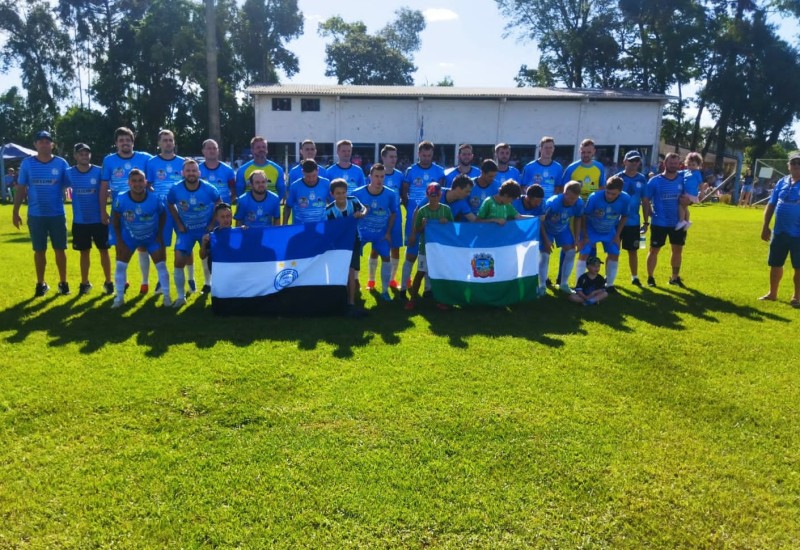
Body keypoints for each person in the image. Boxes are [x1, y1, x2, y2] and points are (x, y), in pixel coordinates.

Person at [12, 131, 71, 297]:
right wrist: (15, 211)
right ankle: (40, 284)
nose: (44, 144)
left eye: (47, 141)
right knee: (39, 251)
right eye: (41, 141)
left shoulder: (61, 163)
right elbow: (21, 189)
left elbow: (70, 184)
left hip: (57, 214)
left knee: (60, 250)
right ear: (35, 144)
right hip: (36, 215)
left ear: (52, 144)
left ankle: (63, 283)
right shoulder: (27, 163)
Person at [99, 127, 152, 293]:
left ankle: (144, 282)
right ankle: (123, 280)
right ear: (116, 143)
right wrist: (103, 210)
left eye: (127, 140)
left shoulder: (145, 158)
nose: (125, 143)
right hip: (119, 210)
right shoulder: (109, 160)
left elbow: (157, 172)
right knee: (119, 245)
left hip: (142, 209)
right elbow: (104, 186)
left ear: (132, 142)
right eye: (121, 140)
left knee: (142, 245)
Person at [110, 169, 171, 308]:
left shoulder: (155, 199)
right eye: (134, 181)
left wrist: (159, 235)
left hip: (151, 238)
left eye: (140, 180)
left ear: (145, 182)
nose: (137, 184)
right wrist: (120, 240)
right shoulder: (120, 199)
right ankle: (119, 298)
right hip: (129, 238)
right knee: (120, 266)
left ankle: (167, 297)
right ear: (128, 183)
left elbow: (163, 215)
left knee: (161, 266)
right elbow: (115, 220)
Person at [167, 158, 221, 307]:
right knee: (178, 260)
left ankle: (210, 285)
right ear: (183, 173)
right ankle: (180, 297)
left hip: (205, 229)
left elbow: (220, 204)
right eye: (188, 171)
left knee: (209, 258)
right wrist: (178, 223)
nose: (191, 173)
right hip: (186, 231)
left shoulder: (208, 188)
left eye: (194, 170)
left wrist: (212, 224)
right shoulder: (175, 189)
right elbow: (170, 203)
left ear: (199, 172)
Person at [146, 129, 190, 293]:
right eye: (164, 140)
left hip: (181, 210)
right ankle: (161, 279)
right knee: (161, 245)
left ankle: (188, 279)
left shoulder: (183, 162)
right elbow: (148, 185)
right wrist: (156, 198)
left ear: (174, 142)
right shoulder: (151, 162)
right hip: (162, 211)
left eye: (170, 140)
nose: (168, 143)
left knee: (184, 243)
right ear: (159, 143)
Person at [66, 143, 113, 295]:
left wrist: (104, 212)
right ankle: (84, 283)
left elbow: (107, 190)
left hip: (99, 219)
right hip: (80, 221)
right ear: (75, 156)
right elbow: (57, 186)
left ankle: (108, 282)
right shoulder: (69, 173)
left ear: (90, 155)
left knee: (104, 251)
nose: (84, 156)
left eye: (87, 154)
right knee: (84, 252)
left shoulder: (99, 171)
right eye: (81, 154)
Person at [400, 141, 445, 295]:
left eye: (429, 155)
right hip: (414, 218)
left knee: (430, 253)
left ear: (432, 155)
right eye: (424, 155)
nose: (426, 158)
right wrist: (411, 208)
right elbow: (404, 192)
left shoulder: (439, 171)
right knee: (411, 253)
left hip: (433, 220)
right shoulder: (410, 171)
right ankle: (403, 288)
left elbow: (442, 195)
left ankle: (428, 289)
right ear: (418, 154)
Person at [642, 152, 692, 287]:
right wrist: (647, 218)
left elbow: (690, 197)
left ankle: (674, 278)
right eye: (671, 163)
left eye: (676, 163)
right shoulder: (655, 181)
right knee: (654, 250)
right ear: (664, 163)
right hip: (659, 222)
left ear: (679, 164)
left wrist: (689, 202)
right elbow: (645, 200)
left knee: (677, 250)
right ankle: (650, 278)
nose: (673, 166)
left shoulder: (683, 179)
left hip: (678, 222)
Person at [576, 175, 630, 293]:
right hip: (591, 229)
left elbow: (625, 216)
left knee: (614, 253)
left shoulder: (625, 199)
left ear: (620, 192)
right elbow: (584, 215)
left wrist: (617, 235)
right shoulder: (595, 197)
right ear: (605, 188)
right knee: (584, 254)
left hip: (609, 230)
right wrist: (584, 235)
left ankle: (609, 284)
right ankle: (578, 286)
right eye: (608, 192)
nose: (610, 196)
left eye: (613, 194)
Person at [759, 155, 800, 307]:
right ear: (788, 166)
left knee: (799, 266)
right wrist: (765, 226)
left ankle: (796, 297)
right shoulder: (782, 182)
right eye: (793, 163)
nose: (796, 166)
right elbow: (771, 204)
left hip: (798, 234)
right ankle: (773, 293)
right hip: (780, 231)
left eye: (799, 164)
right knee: (775, 263)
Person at [352, 163, 397, 301]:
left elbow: (394, 213)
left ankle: (384, 290)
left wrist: (388, 232)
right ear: (370, 176)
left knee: (386, 258)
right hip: (361, 233)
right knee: (354, 259)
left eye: (382, 177)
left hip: (380, 234)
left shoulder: (390, 194)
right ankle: (355, 283)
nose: (379, 179)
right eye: (376, 176)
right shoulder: (357, 193)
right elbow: (352, 213)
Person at [405, 183, 453, 311]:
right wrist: (423, 226)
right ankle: (413, 299)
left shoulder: (446, 210)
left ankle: (441, 299)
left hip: (440, 249)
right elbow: (416, 229)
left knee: (439, 274)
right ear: (427, 195)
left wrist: (446, 222)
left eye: (436, 195)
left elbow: (452, 229)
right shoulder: (422, 210)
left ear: (440, 195)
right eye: (432, 196)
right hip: (425, 248)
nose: (434, 198)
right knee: (420, 272)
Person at [325, 178, 367, 318]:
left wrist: (362, 214)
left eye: (343, 192)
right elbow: (327, 230)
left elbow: (365, 208)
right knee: (340, 272)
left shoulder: (353, 201)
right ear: (332, 194)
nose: (341, 196)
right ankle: (339, 300)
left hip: (353, 241)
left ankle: (351, 303)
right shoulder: (329, 211)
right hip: (337, 246)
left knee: (351, 272)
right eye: (338, 193)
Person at [198, 138, 236, 293]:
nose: (211, 151)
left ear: (218, 150)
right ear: (203, 151)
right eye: (208, 148)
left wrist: (225, 209)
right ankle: (208, 283)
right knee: (206, 248)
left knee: (226, 249)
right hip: (204, 216)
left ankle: (228, 281)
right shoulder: (198, 169)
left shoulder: (227, 170)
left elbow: (234, 191)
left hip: (223, 218)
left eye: (214, 148)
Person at [367, 145, 404, 291]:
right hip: (378, 218)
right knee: (376, 248)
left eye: (395, 156)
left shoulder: (400, 175)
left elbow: (403, 195)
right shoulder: (375, 174)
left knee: (395, 249)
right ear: (383, 157)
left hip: (395, 218)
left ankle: (392, 280)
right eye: (391, 156)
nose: (394, 159)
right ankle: (371, 280)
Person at [539, 181, 584, 296]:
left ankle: (564, 284)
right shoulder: (552, 203)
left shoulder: (579, 203)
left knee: (571, 252)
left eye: (575, 198)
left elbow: (578, 218)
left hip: (562, 228)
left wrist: (577, 238)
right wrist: (546, 240)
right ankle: (542, 285)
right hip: (547, 228)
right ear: (564, 193)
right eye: (571, 198)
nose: (573, 201)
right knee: (544, 255)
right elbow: (541, 222)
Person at [616, 150, 650, 287]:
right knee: (613, 250)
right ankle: (609, 277)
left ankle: (635, 277)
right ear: (624, 162)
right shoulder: (617, 178)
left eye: (637, 161)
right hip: (617, 222)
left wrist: (646, 222)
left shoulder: (642, 179)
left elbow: (646, 201)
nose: (634, 163)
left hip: (634, 223)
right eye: (631, 160)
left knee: (634, 251)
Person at [284, 159, 331, 225]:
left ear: (318, 170)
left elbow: (334, 202)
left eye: (314, 176)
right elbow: (288, 206)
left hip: (320, 226)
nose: (311, 179)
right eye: (308, 176)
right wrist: (284, 225)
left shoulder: (326, 183)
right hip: (300, 226)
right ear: (302, 172)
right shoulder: (295, 186)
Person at [199, 202, 234, 276]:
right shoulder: (212, 236)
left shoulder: (238, 234)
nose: (226, 219)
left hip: (234, 272)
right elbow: (202, 256)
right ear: (217, 218)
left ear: (231, 216)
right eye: (222, 217)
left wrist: (245, 233)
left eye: (228, 216)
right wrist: (203, 244)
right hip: (218, 273)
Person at [676, 152, 702, 230]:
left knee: (681, 205)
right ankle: (687, 221)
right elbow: (676, 173)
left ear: (698, 165)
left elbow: (701, 183)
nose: (691, 166)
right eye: (689, 164)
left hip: (691, 194)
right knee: (685, 207)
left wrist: (702, 192)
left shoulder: (697, 173)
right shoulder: (686, 171)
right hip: (686, 193)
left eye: (693, 165)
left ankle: (681, 220)